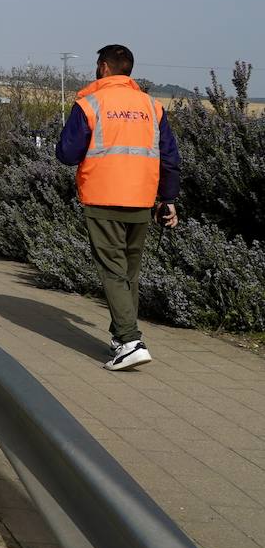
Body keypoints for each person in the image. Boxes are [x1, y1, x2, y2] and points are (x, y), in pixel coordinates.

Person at [56, 44, 180, 372]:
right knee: (129, 273)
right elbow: (169, 157)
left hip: (102, 197)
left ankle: (130, 341)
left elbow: (67, 153)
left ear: (103, 68)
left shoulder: (90, 103)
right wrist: (168, 200)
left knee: (112, 270)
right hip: (141, 199)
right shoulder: (152, 107)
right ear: (129, 70)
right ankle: (120, 337)